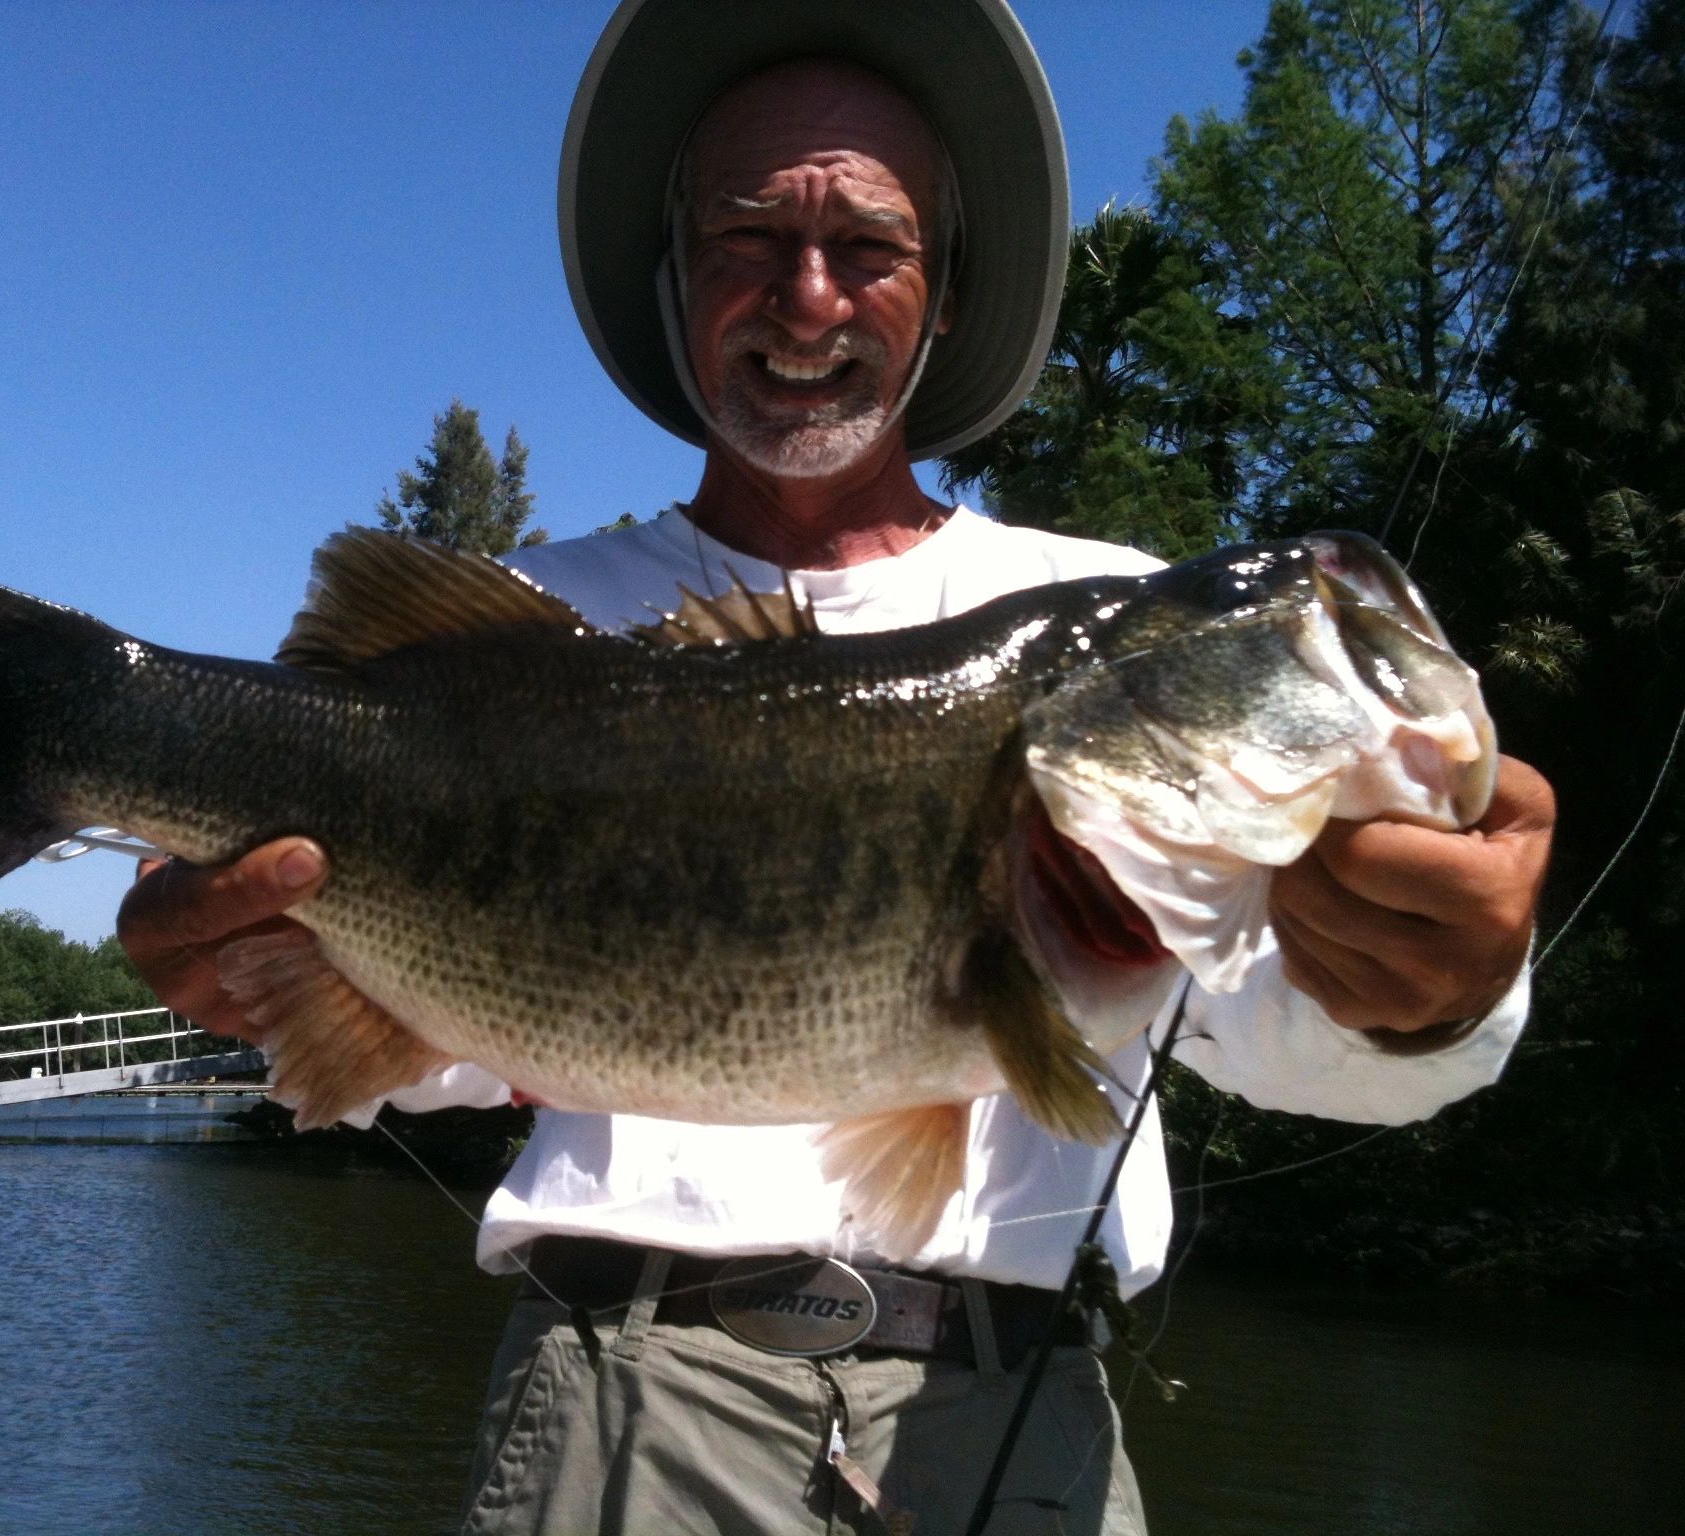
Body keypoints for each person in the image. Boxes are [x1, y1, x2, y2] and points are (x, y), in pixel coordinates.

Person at [119, 2, 1555, 1531]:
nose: (807, 299)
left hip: (1019, 1415)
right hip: (623, 1410)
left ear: (941, 297)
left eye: (867, 246)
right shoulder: (536, 633)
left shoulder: (1114, 618)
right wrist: (258, 973)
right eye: (748, 235)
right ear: (674, 279)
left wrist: (1438, 991)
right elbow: (460, 1034)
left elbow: (1283, 1038)